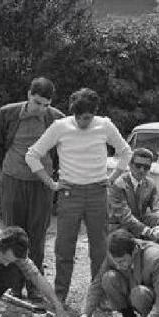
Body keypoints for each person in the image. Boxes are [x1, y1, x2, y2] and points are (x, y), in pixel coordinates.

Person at [25, 87, 132, 305]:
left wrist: (112, 179)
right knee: (64, 247)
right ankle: (60, 295)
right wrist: (51, 183)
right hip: (69, 193)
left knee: (100, 248)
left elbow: (126, 151)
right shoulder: (60, 127)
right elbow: (32, 155)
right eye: (80, 117)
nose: (84, 122)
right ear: (73, 113)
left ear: (94, 113)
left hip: (97, 193)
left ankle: (99, 296)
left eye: (88, 117)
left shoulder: (105, 125)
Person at [0, 77, 64, 301]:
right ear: (28, 95)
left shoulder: (57, 118)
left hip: (42, 184)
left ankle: (34, 285)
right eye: (37, 102)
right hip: (13, 178)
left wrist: (52, 177)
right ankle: (13, 283)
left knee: (37, 235)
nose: (41, 108)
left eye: (46, 104)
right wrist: (4, 174)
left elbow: (61, 153)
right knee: (12, 233)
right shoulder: (7, 113)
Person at [107, 147, 159, 237]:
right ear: (130, 165)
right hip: (118, 227)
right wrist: (145, 230)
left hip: (138, 223)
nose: (142, 170)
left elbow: (157, 206)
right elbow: (124, 216)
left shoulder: (150, 184)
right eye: (138, 166)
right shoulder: (118, 185)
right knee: (123, 236)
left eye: (146, 167)